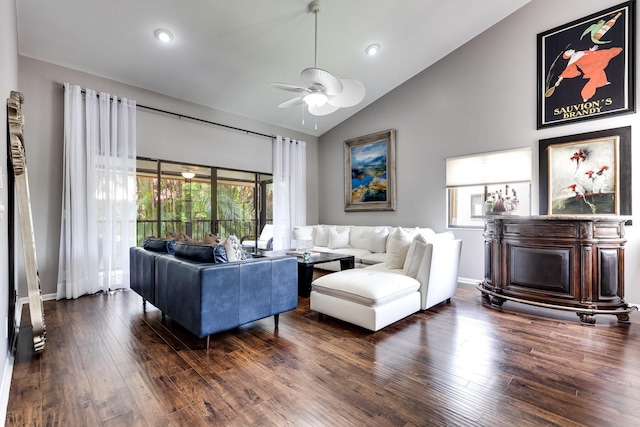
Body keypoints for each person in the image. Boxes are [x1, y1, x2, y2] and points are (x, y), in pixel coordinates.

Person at [551, 45, 622, 101]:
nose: (570, 50)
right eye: (568, 52)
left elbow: (586, 54)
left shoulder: (579, 52)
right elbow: (566, 72)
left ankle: (602, 82)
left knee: (607, 55)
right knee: (594, 79)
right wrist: (558, 81)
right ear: (569, 56)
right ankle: (586, 95)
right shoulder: (573, 59)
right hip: (590, 68)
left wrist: (591, 50)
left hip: (595, 60)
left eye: (568, 50)